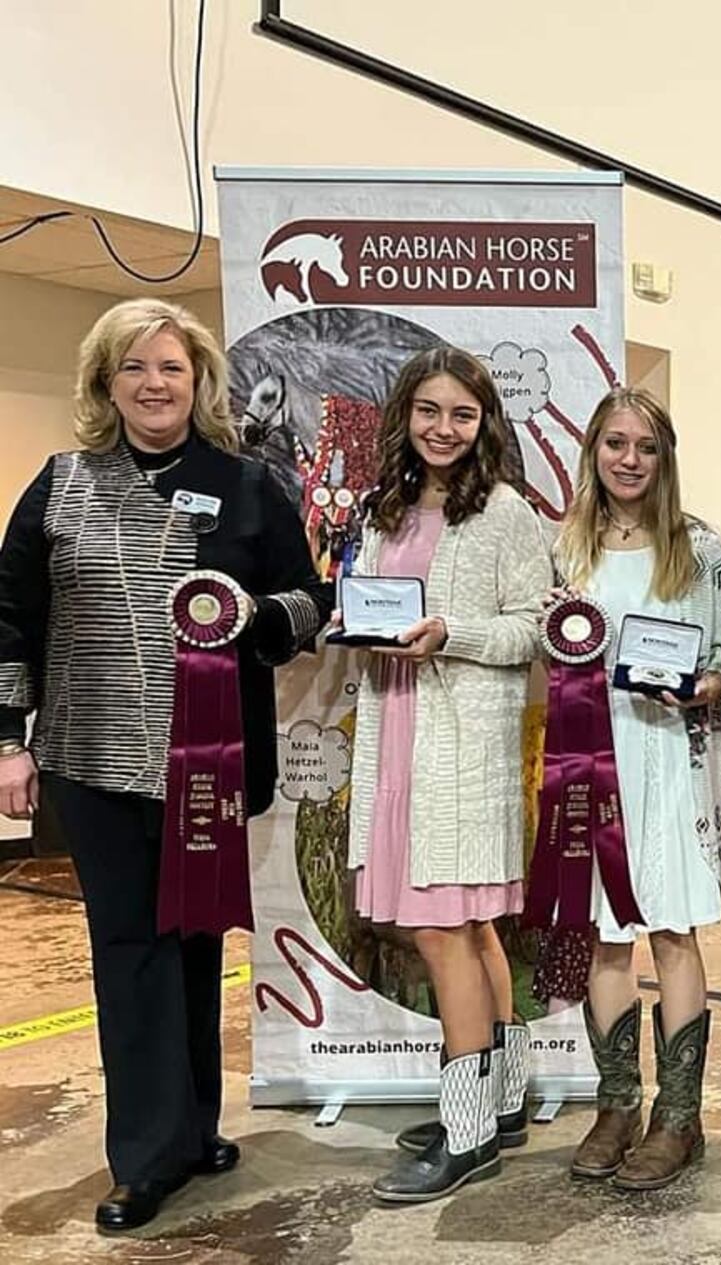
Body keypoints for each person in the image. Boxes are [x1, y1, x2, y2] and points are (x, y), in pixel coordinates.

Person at [0, 298, 330, 1230]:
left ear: (200, 382)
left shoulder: (248, 484)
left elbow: (307, 600)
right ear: (106, 382)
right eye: (134, 367)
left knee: (194, 936)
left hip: (213, 764)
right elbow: (11, 618)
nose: (154, 383)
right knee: (132, 948)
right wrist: (5, 741)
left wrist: (255, 617)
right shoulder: (61, 484)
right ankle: (144, 1157)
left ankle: (191, 1129)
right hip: (91, 760)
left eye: (171, 368)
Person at [342, 346, 550, 1204]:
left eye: (461, 413)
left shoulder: (505, 512)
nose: (443, 428)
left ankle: (465, 1135)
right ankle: (501, 1102)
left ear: (484, 421)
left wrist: (448, 631)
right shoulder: (384, 509)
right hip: (396, 731)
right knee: (471, 930)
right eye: (429, 410)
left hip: (461, 746)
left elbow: (532, 630)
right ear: (406, 415)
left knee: (444, 931)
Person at [535, 386, 721, 1191]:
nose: (629, 459)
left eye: (646, 446)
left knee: (674, 931)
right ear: (593, 451)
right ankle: (617, 1102)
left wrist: (708, 684)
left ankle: (679, 1119)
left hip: (674, 760)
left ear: (666, 458)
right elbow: (542, 648)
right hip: (590, 763)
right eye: (615, 443)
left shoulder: (702, 549)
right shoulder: (566, 549)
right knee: (605, 933)